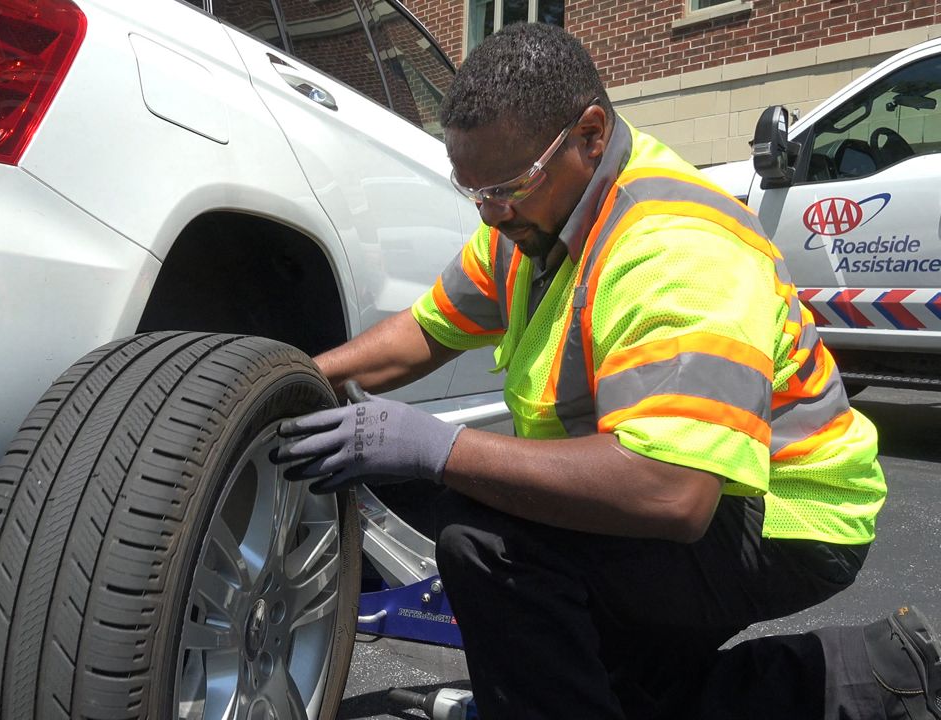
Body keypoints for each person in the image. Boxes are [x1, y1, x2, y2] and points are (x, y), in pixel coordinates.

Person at [273, 22, 940, 720]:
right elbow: (424, 331)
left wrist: (437, 448)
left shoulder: (674, 247)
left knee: (492, 550)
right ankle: (879, 678)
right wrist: (296, 380)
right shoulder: (531, 220)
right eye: (474, 192)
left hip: (786, 515)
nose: (492, 214)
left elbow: (672, 494)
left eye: (506, 187)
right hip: (682, 485)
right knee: (621, 686)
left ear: (590, 134)